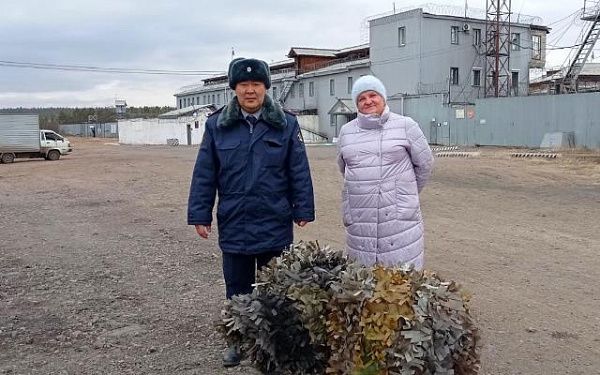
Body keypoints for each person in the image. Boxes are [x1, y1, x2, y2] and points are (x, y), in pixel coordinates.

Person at [187, 57, 315, 367]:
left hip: (274, 220)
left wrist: (303, 207)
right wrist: (200, 213)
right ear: (234, 89)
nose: (250, 91)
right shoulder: (217, 125)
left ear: (265, 88)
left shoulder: (286, 123)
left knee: (276, 287)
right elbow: (205, 172)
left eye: (256, 84)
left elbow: (298, 168)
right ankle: (237, 340)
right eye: (243, 85)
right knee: (237, 288)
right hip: (236, 221)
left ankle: (273, 342)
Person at [336, 75, 434, 270]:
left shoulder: (405, 125)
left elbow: (425, 164)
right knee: (364, 283)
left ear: (383, 98)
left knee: (399, 283)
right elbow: (344, 167)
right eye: (361, 98)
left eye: (373, 95)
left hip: (399, 218)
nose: (368, 101)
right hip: (360, 216)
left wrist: (404, 193)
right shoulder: (346, 131)